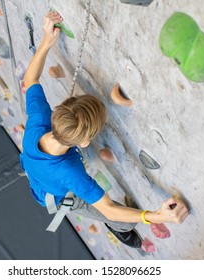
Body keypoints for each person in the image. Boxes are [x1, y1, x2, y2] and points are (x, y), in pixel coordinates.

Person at [20, 11, 189, 248]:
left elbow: (30, 81)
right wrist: (154, 216)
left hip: (38, 175)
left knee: (88, 197)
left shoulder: (39, 121)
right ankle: (121, 231)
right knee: (121, 219)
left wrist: (46, 41)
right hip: (57, 196)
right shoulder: (72, 173)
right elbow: (109, 209)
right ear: (85, 141)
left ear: (60, 112)